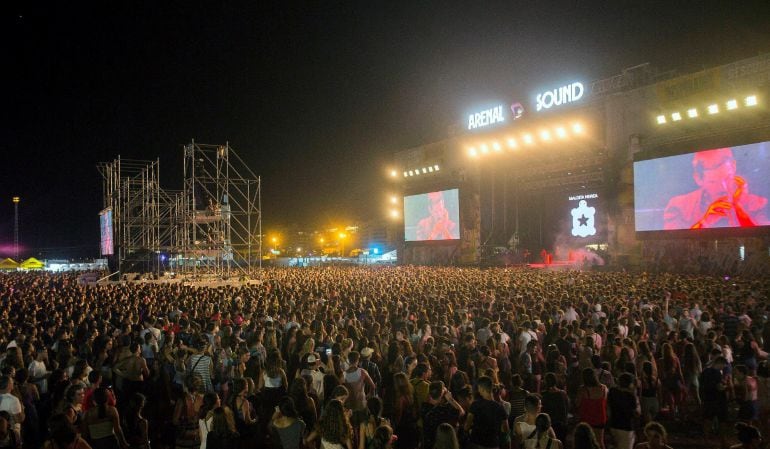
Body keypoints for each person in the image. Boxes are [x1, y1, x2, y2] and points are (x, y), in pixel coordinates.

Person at [663, 147, 769, 230]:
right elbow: (675, 246)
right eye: (713, 182)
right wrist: (705, 222)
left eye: (727, 178)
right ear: (698, 179)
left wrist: (738, 208)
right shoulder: (678, 206)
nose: (723, 188)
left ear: (733, 167)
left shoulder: (758, 203)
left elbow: (763, 241)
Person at [465, 376, 508, 449]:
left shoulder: (475, 405)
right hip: (493, 444)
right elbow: (505, 429)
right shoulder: (500, 407)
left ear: (482, 389)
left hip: (477, 443)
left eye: (479, 388)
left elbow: (466, 426)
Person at [575, 368, 607, 449]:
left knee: (586, 441)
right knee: (600, 441)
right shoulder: (603, 388)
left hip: (587, 417)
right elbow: (606, 402)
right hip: (600, 417)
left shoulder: (583, 389)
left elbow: (577, 403)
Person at [607, 373, 640, 449]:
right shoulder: (630, 395)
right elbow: (636, 413)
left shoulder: (612, 391)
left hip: (613, 425)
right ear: (630, 383)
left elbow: (608, 408)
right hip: (626, 427)